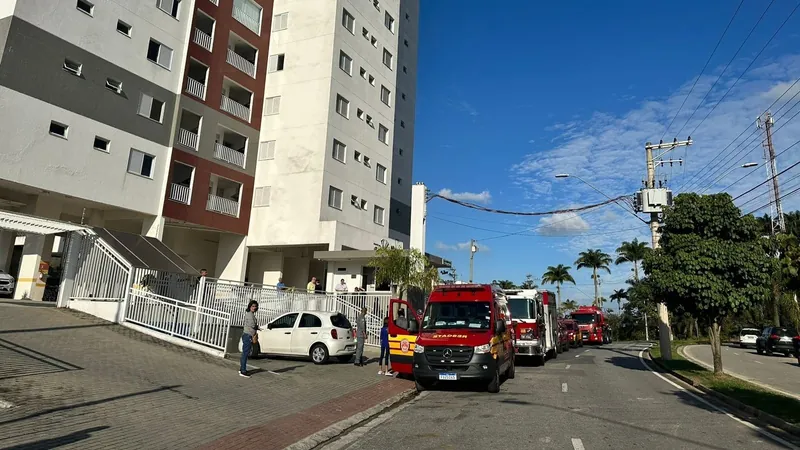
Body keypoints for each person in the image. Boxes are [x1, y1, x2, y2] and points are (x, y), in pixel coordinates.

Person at [240, 300, 260, 378]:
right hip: (248, 336)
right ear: (250, 307)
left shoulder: (251, 314)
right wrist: (257, 327)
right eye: (253, 306)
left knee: (245, 353)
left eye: (255, 306)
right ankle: (243, 371)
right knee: (245, 353)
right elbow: (252, 325)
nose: (254, 308)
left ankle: (242, 368)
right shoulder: (250, 315)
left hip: (248, 335)